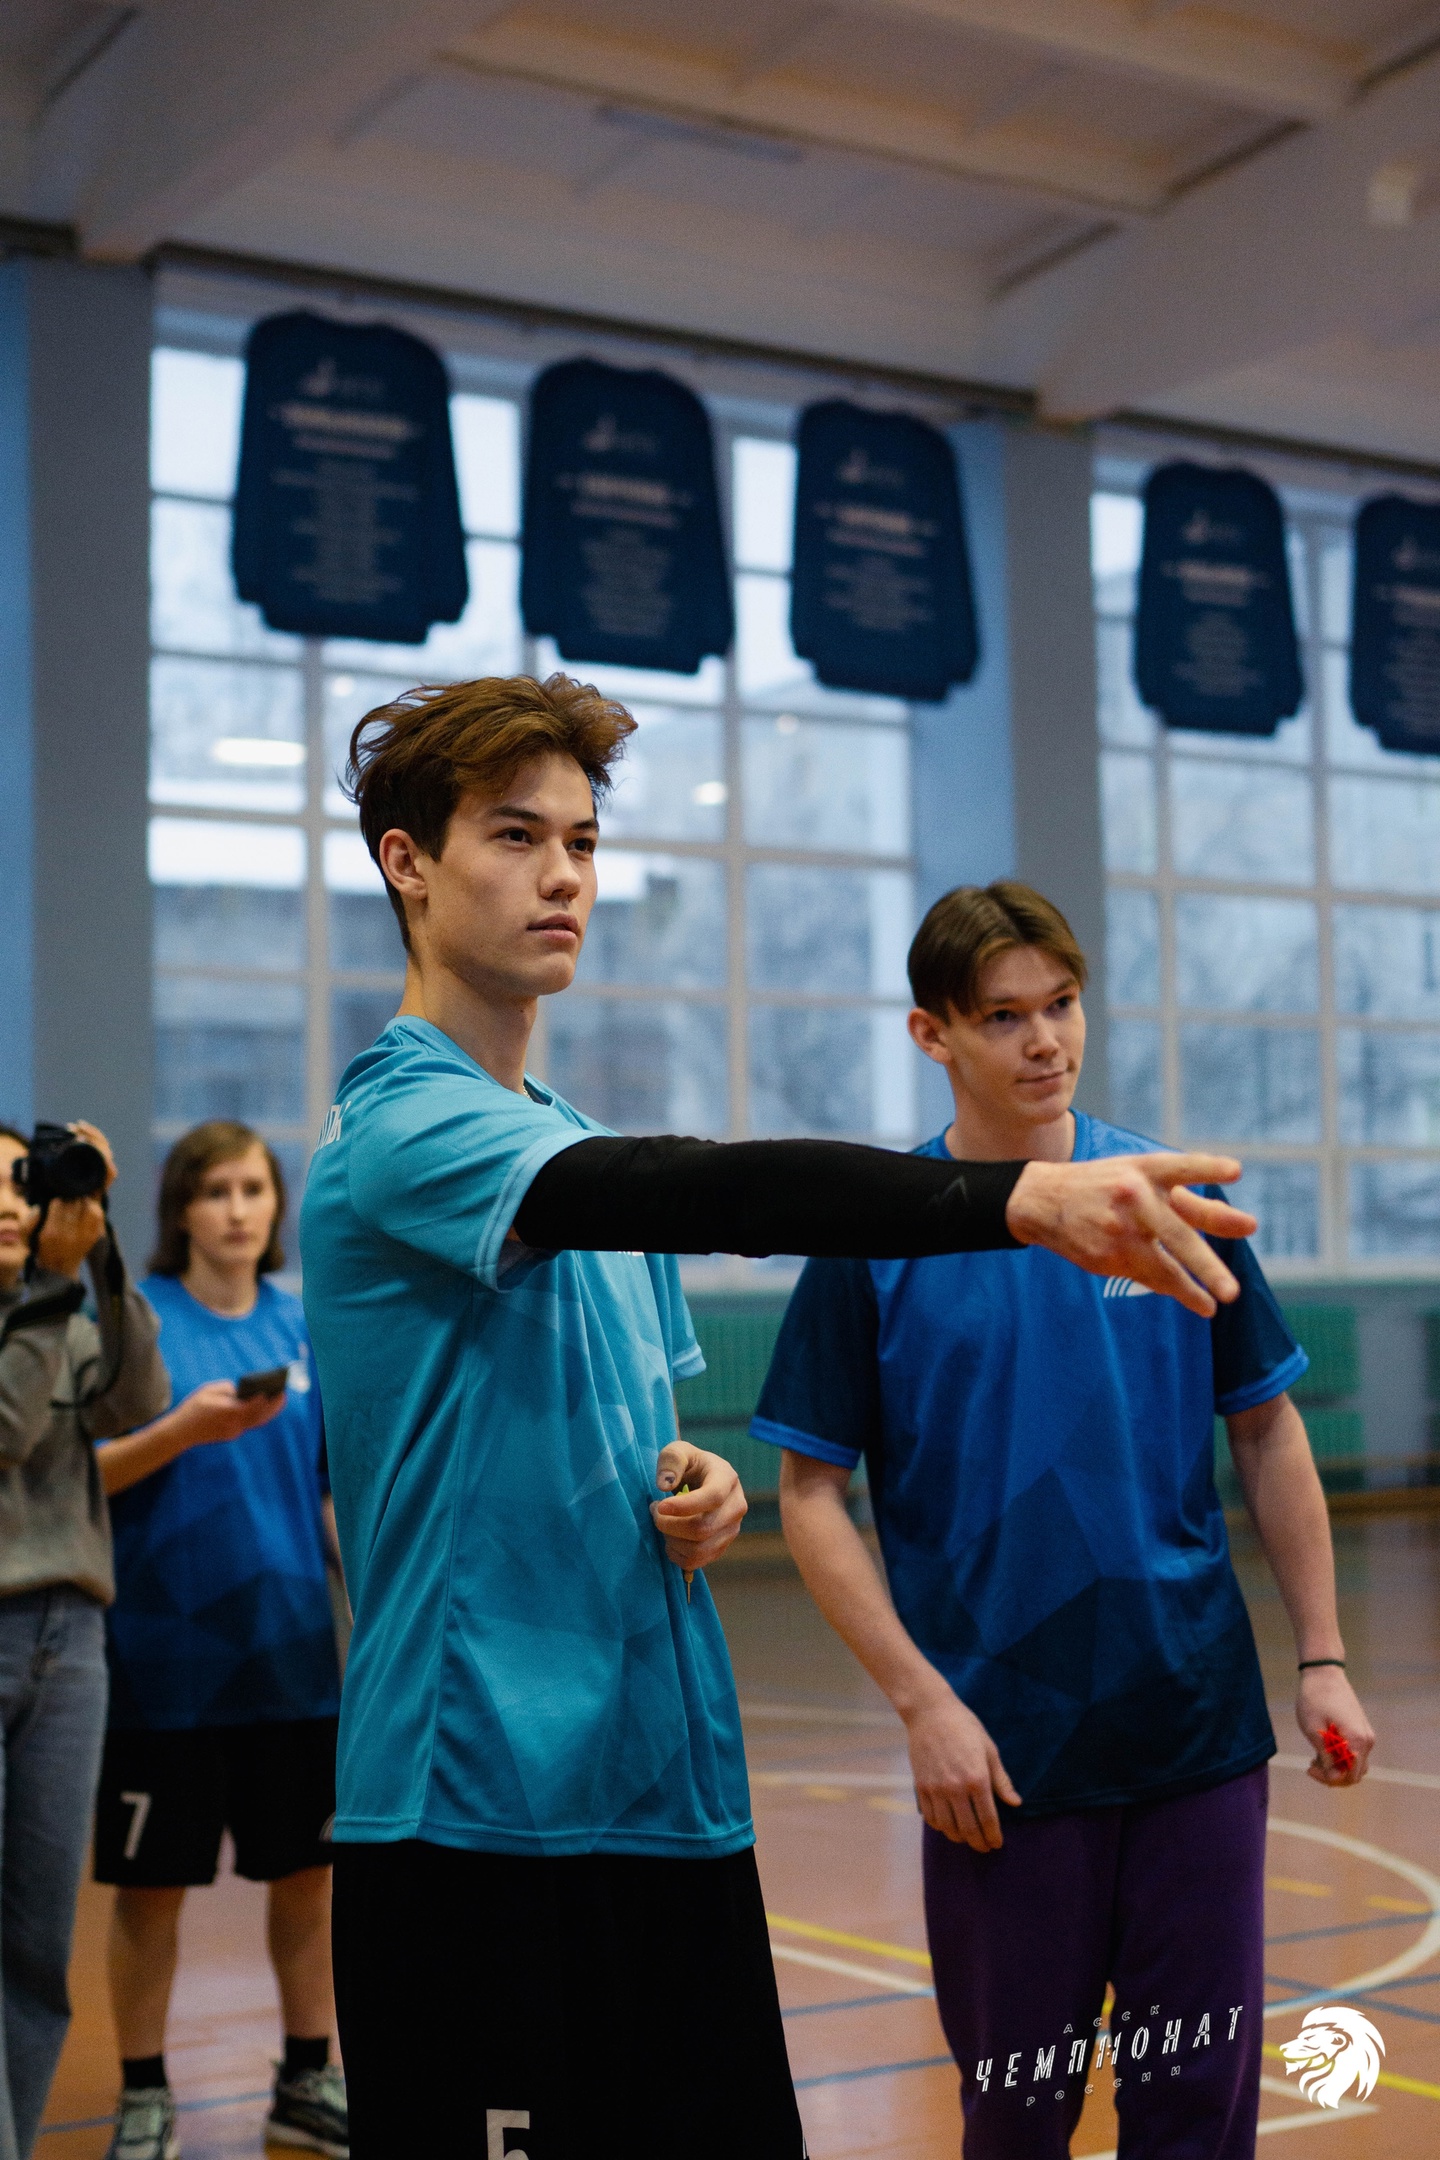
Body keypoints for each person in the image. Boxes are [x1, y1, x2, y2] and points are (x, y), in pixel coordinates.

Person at [298, 673, 1257, 2160]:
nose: (564, 875)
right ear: (408, 863)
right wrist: (1017, 1198)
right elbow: (709, 1188)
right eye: (515, 836)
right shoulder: (403, 1123)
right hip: (477, 1804)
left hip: (665, 1795)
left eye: (583, 841)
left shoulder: (560, 1138)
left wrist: (694, 1482)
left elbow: (617, 1420)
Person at [754, 880, 1375, 2160]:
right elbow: (810, 1495)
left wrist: (1321, 1655)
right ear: (932, 1034)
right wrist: (923, 1706)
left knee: (1197, 2113)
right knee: (1018, 2118)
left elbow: (1266, 1429)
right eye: (1004, 1016)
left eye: (1063, 1004)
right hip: (1001, 1762)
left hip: (1195, 1737)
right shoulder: (875, 1235)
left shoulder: (1162, 1197)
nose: (1045, 1041)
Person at [93, 1123, 346, 2160]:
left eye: (254, 1189)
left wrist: (379, 1596)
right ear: (182, 1209)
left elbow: (330, 1491)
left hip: (293, 1659)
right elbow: (81, 1477)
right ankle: (145, 2093)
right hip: (164, 1666)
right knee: (151, 1889)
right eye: (216, 1191)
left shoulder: (304, 1327)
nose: (238, 1210)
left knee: (307, 1879)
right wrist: (180, 1430)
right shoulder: (138, 1324)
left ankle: (306, 2075)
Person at [0, 1121, 169, 2160]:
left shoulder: (60, 1296)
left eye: (21, 1181)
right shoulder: (40, 1304)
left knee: (35, 1946)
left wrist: (100, 1258)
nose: (10, 1203)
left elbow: (136, 1400)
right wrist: (54, 1287)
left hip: (70, 1641)